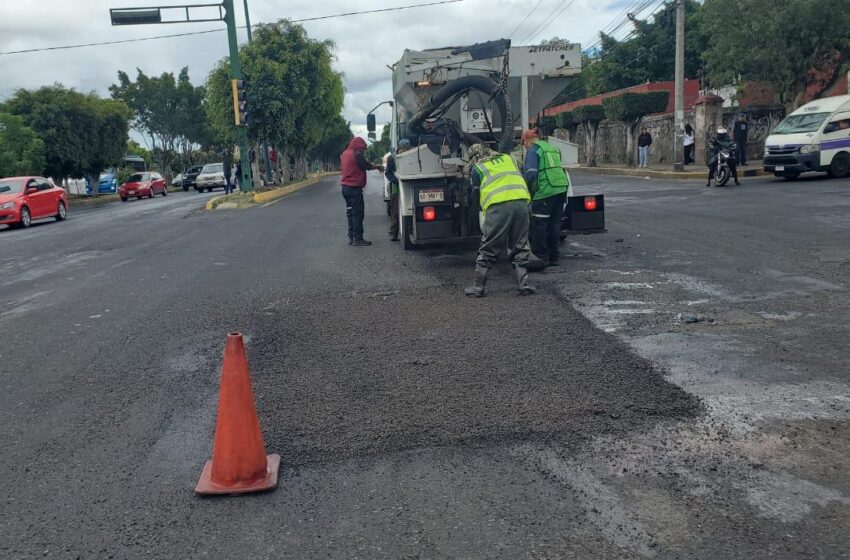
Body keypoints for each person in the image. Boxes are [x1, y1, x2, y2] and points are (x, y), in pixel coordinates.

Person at [464, 144, 535, 298]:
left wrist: (478, 209)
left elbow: (476, 193)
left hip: (498, 207)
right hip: (521, 202)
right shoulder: (510, 159)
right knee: (520, 244)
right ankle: (523, 285)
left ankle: (478, 288)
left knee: (489, 245)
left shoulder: (478, 168)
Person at [521, 129, 569, 267]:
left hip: (546, 191)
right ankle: (554, 258)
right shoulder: (551, 148)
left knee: (539, 225)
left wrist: (523, 189)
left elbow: (530, 175)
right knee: (554, 224)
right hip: (561, 188)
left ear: (528, 140)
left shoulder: (533, 150)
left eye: (523, 142)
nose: (524, 146)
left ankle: (541, 257)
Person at [340, 136, 383, 246]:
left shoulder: (345, 153)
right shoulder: (357, 154)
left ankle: (351, 237)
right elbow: (366, 165)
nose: (363, 151)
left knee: (350, 213)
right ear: (358, 146)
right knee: (358, 213)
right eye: (362, 148)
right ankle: (358, 238)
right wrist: (377, 167)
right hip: (354, 188)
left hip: (345, 188)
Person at [384, 138, 411, 242]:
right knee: (395, 210)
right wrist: (395, 180)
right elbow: (388, 173)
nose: (406, 151)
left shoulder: (410, 155)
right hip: (396, 186)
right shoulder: (392, 158)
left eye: (408, 149)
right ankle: (393, 234)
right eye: (405, 149)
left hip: (406, 184)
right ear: (400, 148)